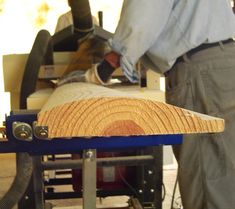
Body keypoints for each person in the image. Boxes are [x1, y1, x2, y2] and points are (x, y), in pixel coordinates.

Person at [58, 1, 235, 208]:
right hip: (222, 62)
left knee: (207, 178)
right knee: (224, 171)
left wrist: (105, 67)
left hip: (199, 69)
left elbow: (144, 13)